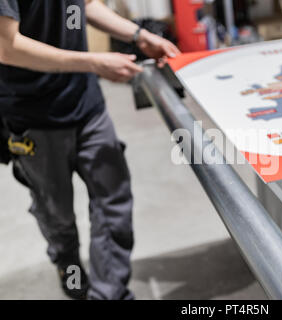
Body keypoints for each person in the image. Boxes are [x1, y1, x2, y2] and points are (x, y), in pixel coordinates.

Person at [0, 0, 180, 300]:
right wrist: (94, 62)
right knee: (56, 213)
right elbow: (7, 46)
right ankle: (67, 264)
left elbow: (86, 4)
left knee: (113, 201)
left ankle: (110, 293)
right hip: (34, 118)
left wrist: (139, 36)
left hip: (86, 104)